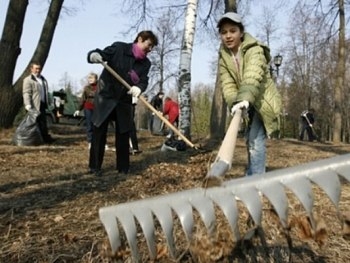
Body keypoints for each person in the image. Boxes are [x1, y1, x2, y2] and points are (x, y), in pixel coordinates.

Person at [217, 12, 282, 176]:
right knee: (250, 140)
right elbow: (228, 84)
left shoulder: (254, 50)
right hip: (247, 102)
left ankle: (256, 183)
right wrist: (234, 103)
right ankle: (252, 175)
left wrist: (244, 98)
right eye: (224, 32)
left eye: (232, 31)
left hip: (263, 101)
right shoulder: (224, 56)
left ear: (241, 32)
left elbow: (252, 75)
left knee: (255, 140)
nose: (228, 36)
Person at [87, 30, 158, 176]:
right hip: (106, 97)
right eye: (148, 45)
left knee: (124, 134)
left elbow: (144, 80)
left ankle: (123, 168)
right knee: (99, 132)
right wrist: (94, 55)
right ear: (140, 39)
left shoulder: (145, 63)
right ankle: (95, 167)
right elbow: (101, 53)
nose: (150, 49)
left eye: (152, 47)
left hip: (124, 101)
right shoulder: (119, 48)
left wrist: (139, 87)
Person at [23, 62, 55, 144]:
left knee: (43, 122)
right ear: (31, 69)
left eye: (39, 68)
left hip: (42, 104)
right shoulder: (28, 80)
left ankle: (44, 139)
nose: (38, 70)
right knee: (33, 124)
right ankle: (32, 140)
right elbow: (26, 92)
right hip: (33, 105)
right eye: (36, 68)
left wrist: (49, 102)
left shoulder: (43, 79)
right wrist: (27, 104)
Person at [74, 72, 99, 148]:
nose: (90, 80)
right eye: (89, 78)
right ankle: (90, 142)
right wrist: (78, 109)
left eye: (92, 78)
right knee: (89, 125)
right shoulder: (86, 88)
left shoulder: (100, 87)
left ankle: (98, 141)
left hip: (97, 108)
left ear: (96, 79)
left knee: (96, 125)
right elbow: (83, 99)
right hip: (88, 108)